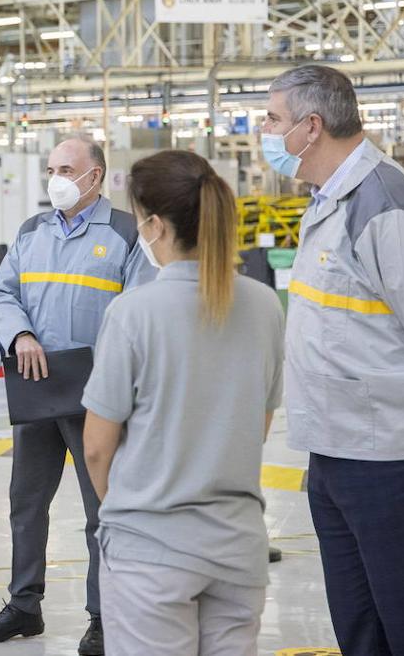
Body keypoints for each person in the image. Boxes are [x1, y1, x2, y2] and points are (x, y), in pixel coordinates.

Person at [81, 150, 285, 656]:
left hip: (151, 550)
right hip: (238, 548)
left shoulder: (132, 312)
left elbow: (96, 449)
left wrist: (128, 514)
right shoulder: (263, 305)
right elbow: (257, 427)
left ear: (153, 226)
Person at [263, 65, 404, 655]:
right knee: (358, 627)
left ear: (311, 127)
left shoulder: (384, 200)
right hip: (332, 448)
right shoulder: (327, 199)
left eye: (273, 119)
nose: (265, 130)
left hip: (387, 459)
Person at [0, 137, 152, 654]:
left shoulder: (127, 233)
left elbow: (141, 311)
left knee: (101, 508)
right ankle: (23, 604)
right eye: (51, 168)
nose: (55, 177)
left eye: (66, 168)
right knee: (26, 502)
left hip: (98, 392)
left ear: (95, 176)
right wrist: (21, 336)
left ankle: (104, 613)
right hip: (36, 385)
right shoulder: (32, 231)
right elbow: (2, 292)